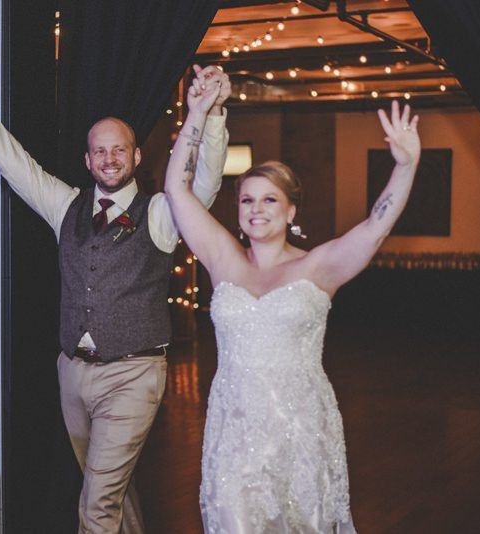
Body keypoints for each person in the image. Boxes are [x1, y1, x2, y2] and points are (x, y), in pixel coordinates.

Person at [0, 53, 230, 533]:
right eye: (99, 151)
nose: (109, 159)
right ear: (87, 159)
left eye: (119, 150)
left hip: (134, 375)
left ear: (136, 156)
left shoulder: (161, 213)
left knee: (96, 503)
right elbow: (10, 159)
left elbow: (205, 182)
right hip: (72, 374)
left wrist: (214, 115)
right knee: (113, 491)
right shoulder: (65, 205)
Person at [164, 76, 421, 534]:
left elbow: (374, 228)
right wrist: (197, 114)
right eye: (246, 200)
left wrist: (406, 166)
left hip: (301, 431)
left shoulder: (318, 267)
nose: (255, 209)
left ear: (290, 212)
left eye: (269, 199)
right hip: (235, 435)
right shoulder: (223, 260)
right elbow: (178, 193)